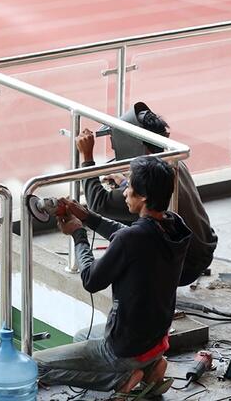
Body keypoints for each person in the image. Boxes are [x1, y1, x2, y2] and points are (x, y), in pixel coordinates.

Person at [34, 155, 192, 399]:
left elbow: (91, 280)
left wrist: (78, 235)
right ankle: (150, 367)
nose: (125, 192)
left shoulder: (132, 240)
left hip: (124, 347)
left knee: (36, 366)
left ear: (144, 197)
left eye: (129, 187)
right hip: (155, 341)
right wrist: (87, 216)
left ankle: (121, 378)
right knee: (81, 336)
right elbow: (127, 233)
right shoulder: (175, 226)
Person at [77, 102, 217, 286]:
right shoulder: (172, 162)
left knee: (131, 211)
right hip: (202, 252)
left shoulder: (146, 192)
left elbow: (98, 203)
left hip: (183, 268)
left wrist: (87, 158)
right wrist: (126, 181)